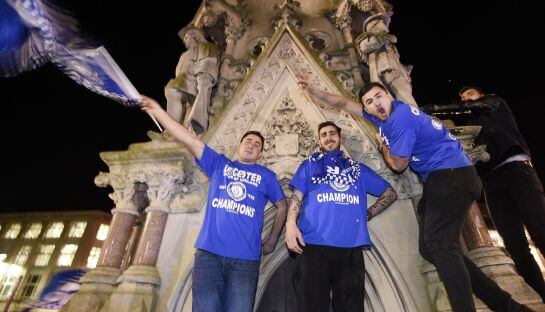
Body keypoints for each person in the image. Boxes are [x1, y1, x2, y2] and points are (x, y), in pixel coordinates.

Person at [297, 76, 533, 312]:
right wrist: (314, 90)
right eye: (369, 101)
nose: (375, 103)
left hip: (452, 176)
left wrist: (382, 144)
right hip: (441, 180)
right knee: (431, 249)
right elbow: (343, 103)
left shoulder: (400, 119)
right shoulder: (380, 115)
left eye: (379, 96)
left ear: (389, 96)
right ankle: (508, 306)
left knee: (441, 247)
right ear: (367, 107)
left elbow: (398, 165)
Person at [140, 96, 288, 312]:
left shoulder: (267, 176)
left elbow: (282, 205)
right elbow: (188, 139)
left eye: (257, 145)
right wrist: (157, 110)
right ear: (239, 145)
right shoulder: (219, 165)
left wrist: (273, 239)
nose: (252, 145)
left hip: (245, 260)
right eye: (248, 141)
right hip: (209, 255)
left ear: (261, 154)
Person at [426, 86, 545, 302]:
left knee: (540, 231)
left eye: (469, 96)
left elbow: (472, 106)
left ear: (481, 95)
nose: (465, 101)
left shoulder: (495, 103)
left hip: (517, 170)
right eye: (462, 98)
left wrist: (431, 109)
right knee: (514, 245)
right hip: (491, 181)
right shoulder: (472, 122)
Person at [285, 121, 398, 312]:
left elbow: (390, 193)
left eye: (332, 133)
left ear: (340, 137)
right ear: (319, 141)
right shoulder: (309, 165)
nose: (328, 137)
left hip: (350, 248)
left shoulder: (357, 169)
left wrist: (368, 213)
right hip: (313, 245)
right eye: (324, 135)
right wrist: (290, 224)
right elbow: (296, 197)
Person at [164, 25, 219, 135]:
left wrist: (202, 79)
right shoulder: (183, 55)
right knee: (172, 92)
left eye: (186, 37)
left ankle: (172, 130)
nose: (184, 40)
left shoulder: (205, 46)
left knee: (174, 92)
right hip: (184, 83)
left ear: (195, 35)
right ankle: (171, 130)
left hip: (195, 83)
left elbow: (209, 63)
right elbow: (179, 73)